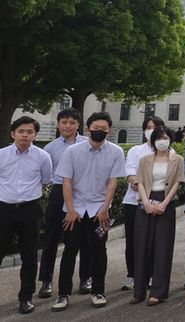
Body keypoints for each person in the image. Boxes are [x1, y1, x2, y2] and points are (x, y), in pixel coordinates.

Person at [52, 111, 126, 312]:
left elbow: (112, 183)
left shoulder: (116, 152)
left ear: (109, 130)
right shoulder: (72, 151)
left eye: (103, 129)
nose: (99, 131)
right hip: (74, 209)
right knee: (69, 251)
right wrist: (70, 210)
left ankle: (98, 291)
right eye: (96, 128)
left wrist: (105, 208)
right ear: (87, 129)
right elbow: (66, 182)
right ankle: (63, 294)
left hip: (98, 210)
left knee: (99, 251)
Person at [0, 116, 52, 314]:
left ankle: (26, 298)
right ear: (13, 133)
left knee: (29, 256)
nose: (25, 135)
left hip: (30, 210)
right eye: (21, 131)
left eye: (30, 132)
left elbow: (45, 180)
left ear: (35, 135)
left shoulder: (42, 157)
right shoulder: (1, 155)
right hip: (3, 209)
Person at [38, 108, 90, 299]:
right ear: (58, 124)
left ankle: (85, 278)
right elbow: (45, 175)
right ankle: (46, 281)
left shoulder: (87, 143)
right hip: (59, 192)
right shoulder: (50, 148)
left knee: (84, 238)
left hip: (82, 192)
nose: (68, 126)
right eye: (64, 122)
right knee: (51, 238)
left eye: (72, 122)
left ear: (78, 125)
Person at [131, 122, 185, 305]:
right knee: (142, 247)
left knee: (163, 248)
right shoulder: (144, 160)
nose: (162, 141)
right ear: (153, 140)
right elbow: (139, 182)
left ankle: (158, 292)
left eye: (165, 138)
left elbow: (178, 183)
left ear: (170, 139)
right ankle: (139, 291)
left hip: (166, 202)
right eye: (159, 138)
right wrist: (146, 202)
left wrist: (164, 203)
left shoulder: (177, 160)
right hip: (145, 202)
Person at [120, 116, 160, 292]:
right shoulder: (135, 151)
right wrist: (141, 184)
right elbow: (131, 177)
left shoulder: (169, 151)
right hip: (133, 202)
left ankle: (150, 275)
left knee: (153, 240)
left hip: (157, 203)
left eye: (155, 127)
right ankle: (132, 275)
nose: (151, 130)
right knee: (132, 240)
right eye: (148, 127)